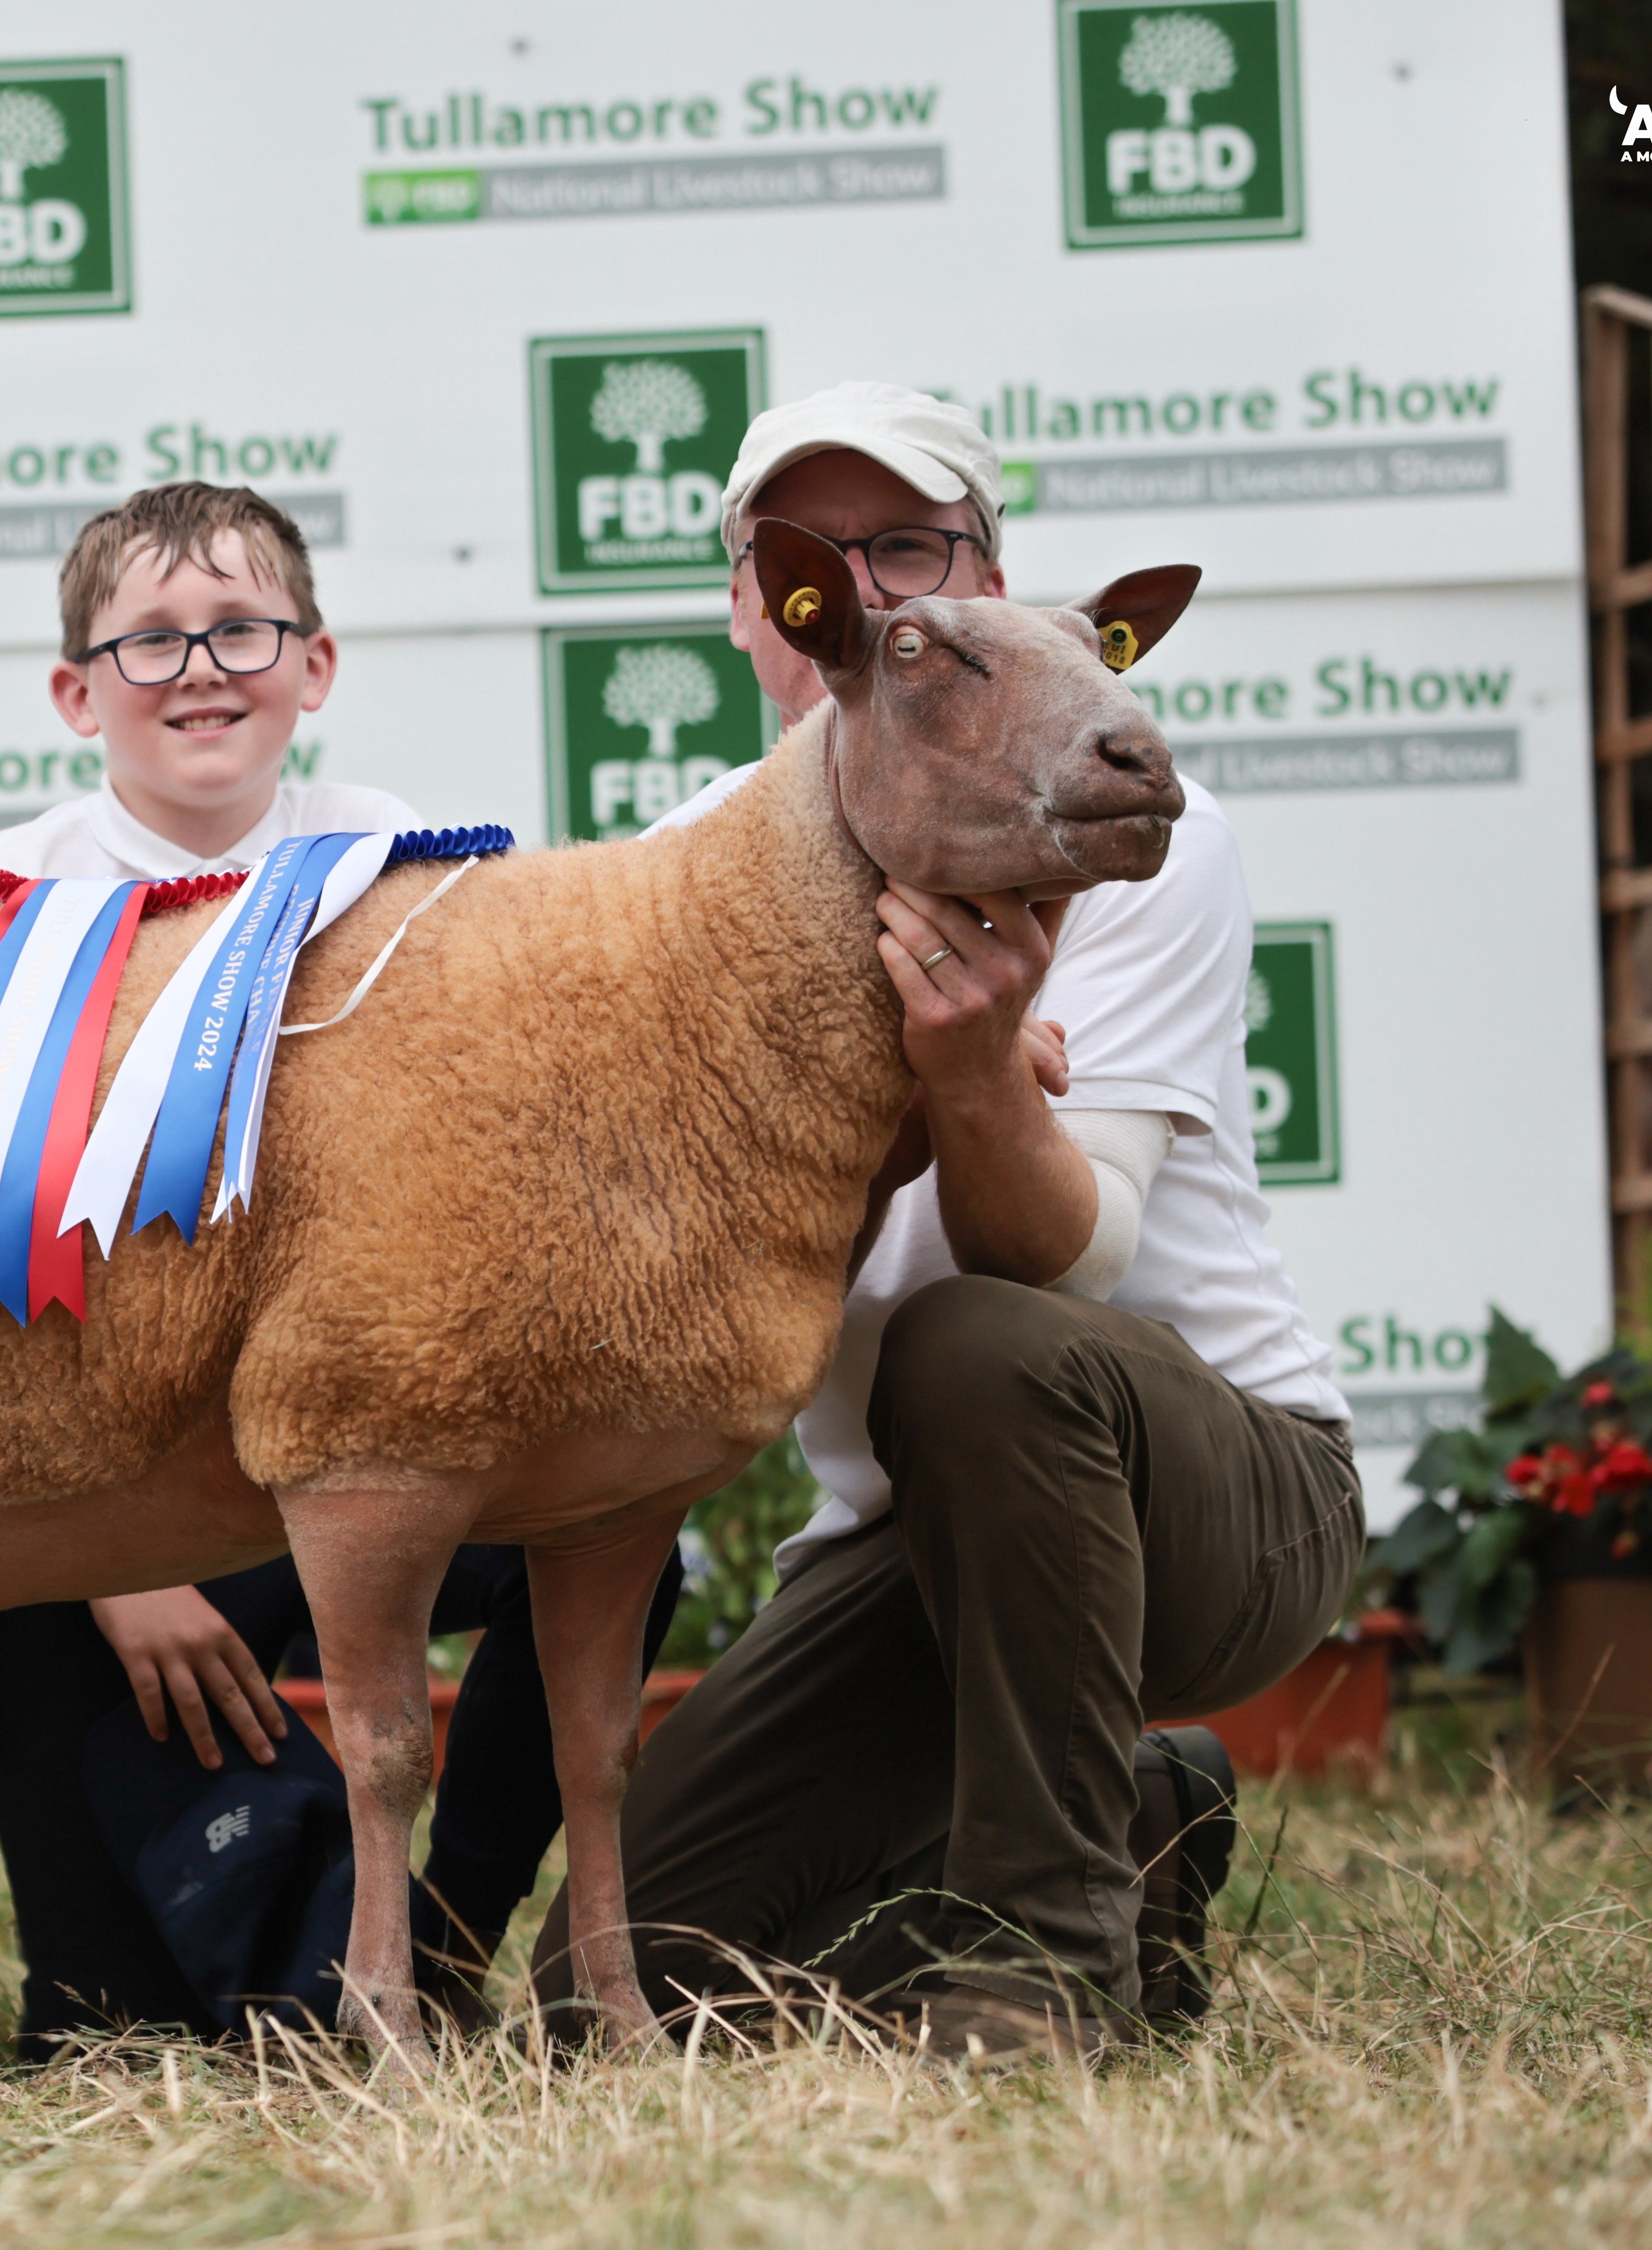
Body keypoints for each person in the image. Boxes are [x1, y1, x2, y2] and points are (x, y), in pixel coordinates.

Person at [0, 482, 675, 2057]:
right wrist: (120, 1568)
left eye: (241, 630)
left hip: (353, 1449)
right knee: (115, 2025)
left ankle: (449, 1933)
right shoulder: (0, 901)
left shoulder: (412, 877)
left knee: (610, 1530)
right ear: (76, 693)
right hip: (109, 1508)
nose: (199, 668)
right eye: (150, 640)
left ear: (312, 664)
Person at [530, 383, 1358, 2064]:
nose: (862, 592)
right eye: (804, 557)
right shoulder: (686, 867)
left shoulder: (1116, 817)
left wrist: (972, 1074)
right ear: (754, 611)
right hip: (906, 1543)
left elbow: (1066, 1263)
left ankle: (1045, 1966)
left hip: (1205, 1494)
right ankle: (1134, 1821)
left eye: (906, 545)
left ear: (988, 576)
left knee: (970, 1343)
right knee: (608, 1991)